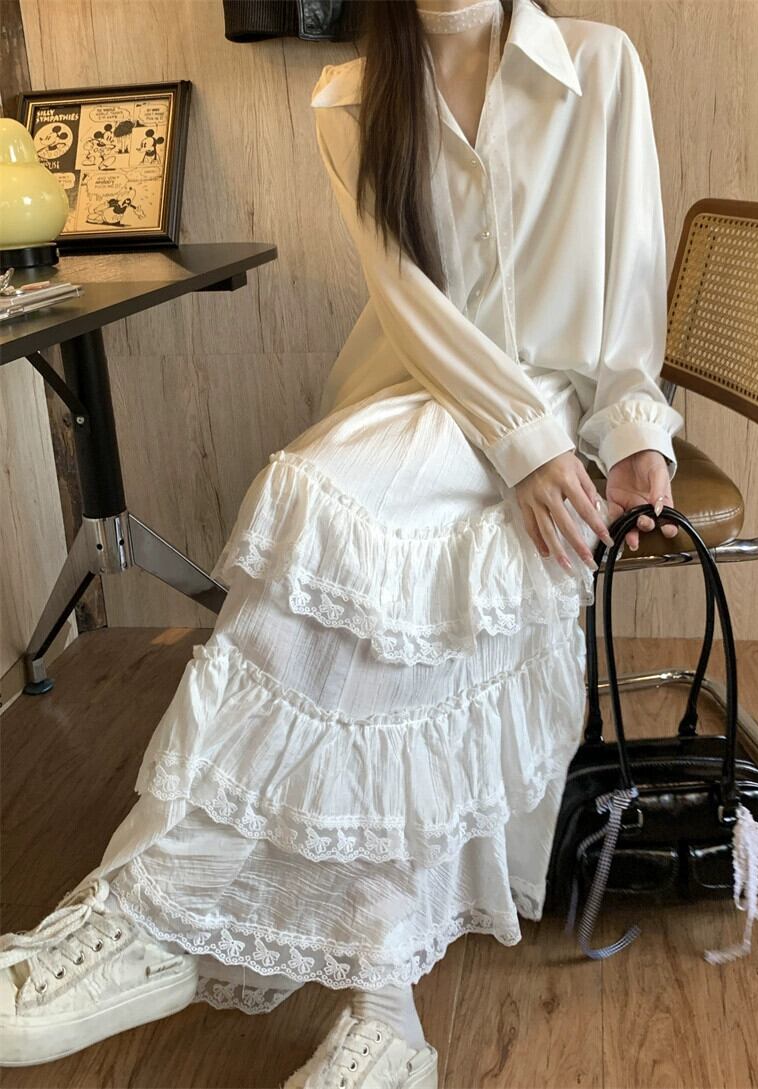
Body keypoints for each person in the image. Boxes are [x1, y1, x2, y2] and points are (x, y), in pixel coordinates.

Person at [0, 0, 684, 1085]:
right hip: (426, 408)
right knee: (356, 554)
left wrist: (636, 438)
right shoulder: (352, 97)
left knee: (363, 569)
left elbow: (632, 287)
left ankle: (177, 923)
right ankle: (292, 977)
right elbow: (412, 311)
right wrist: (518, 444)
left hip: (553, 429)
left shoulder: (599, 65)